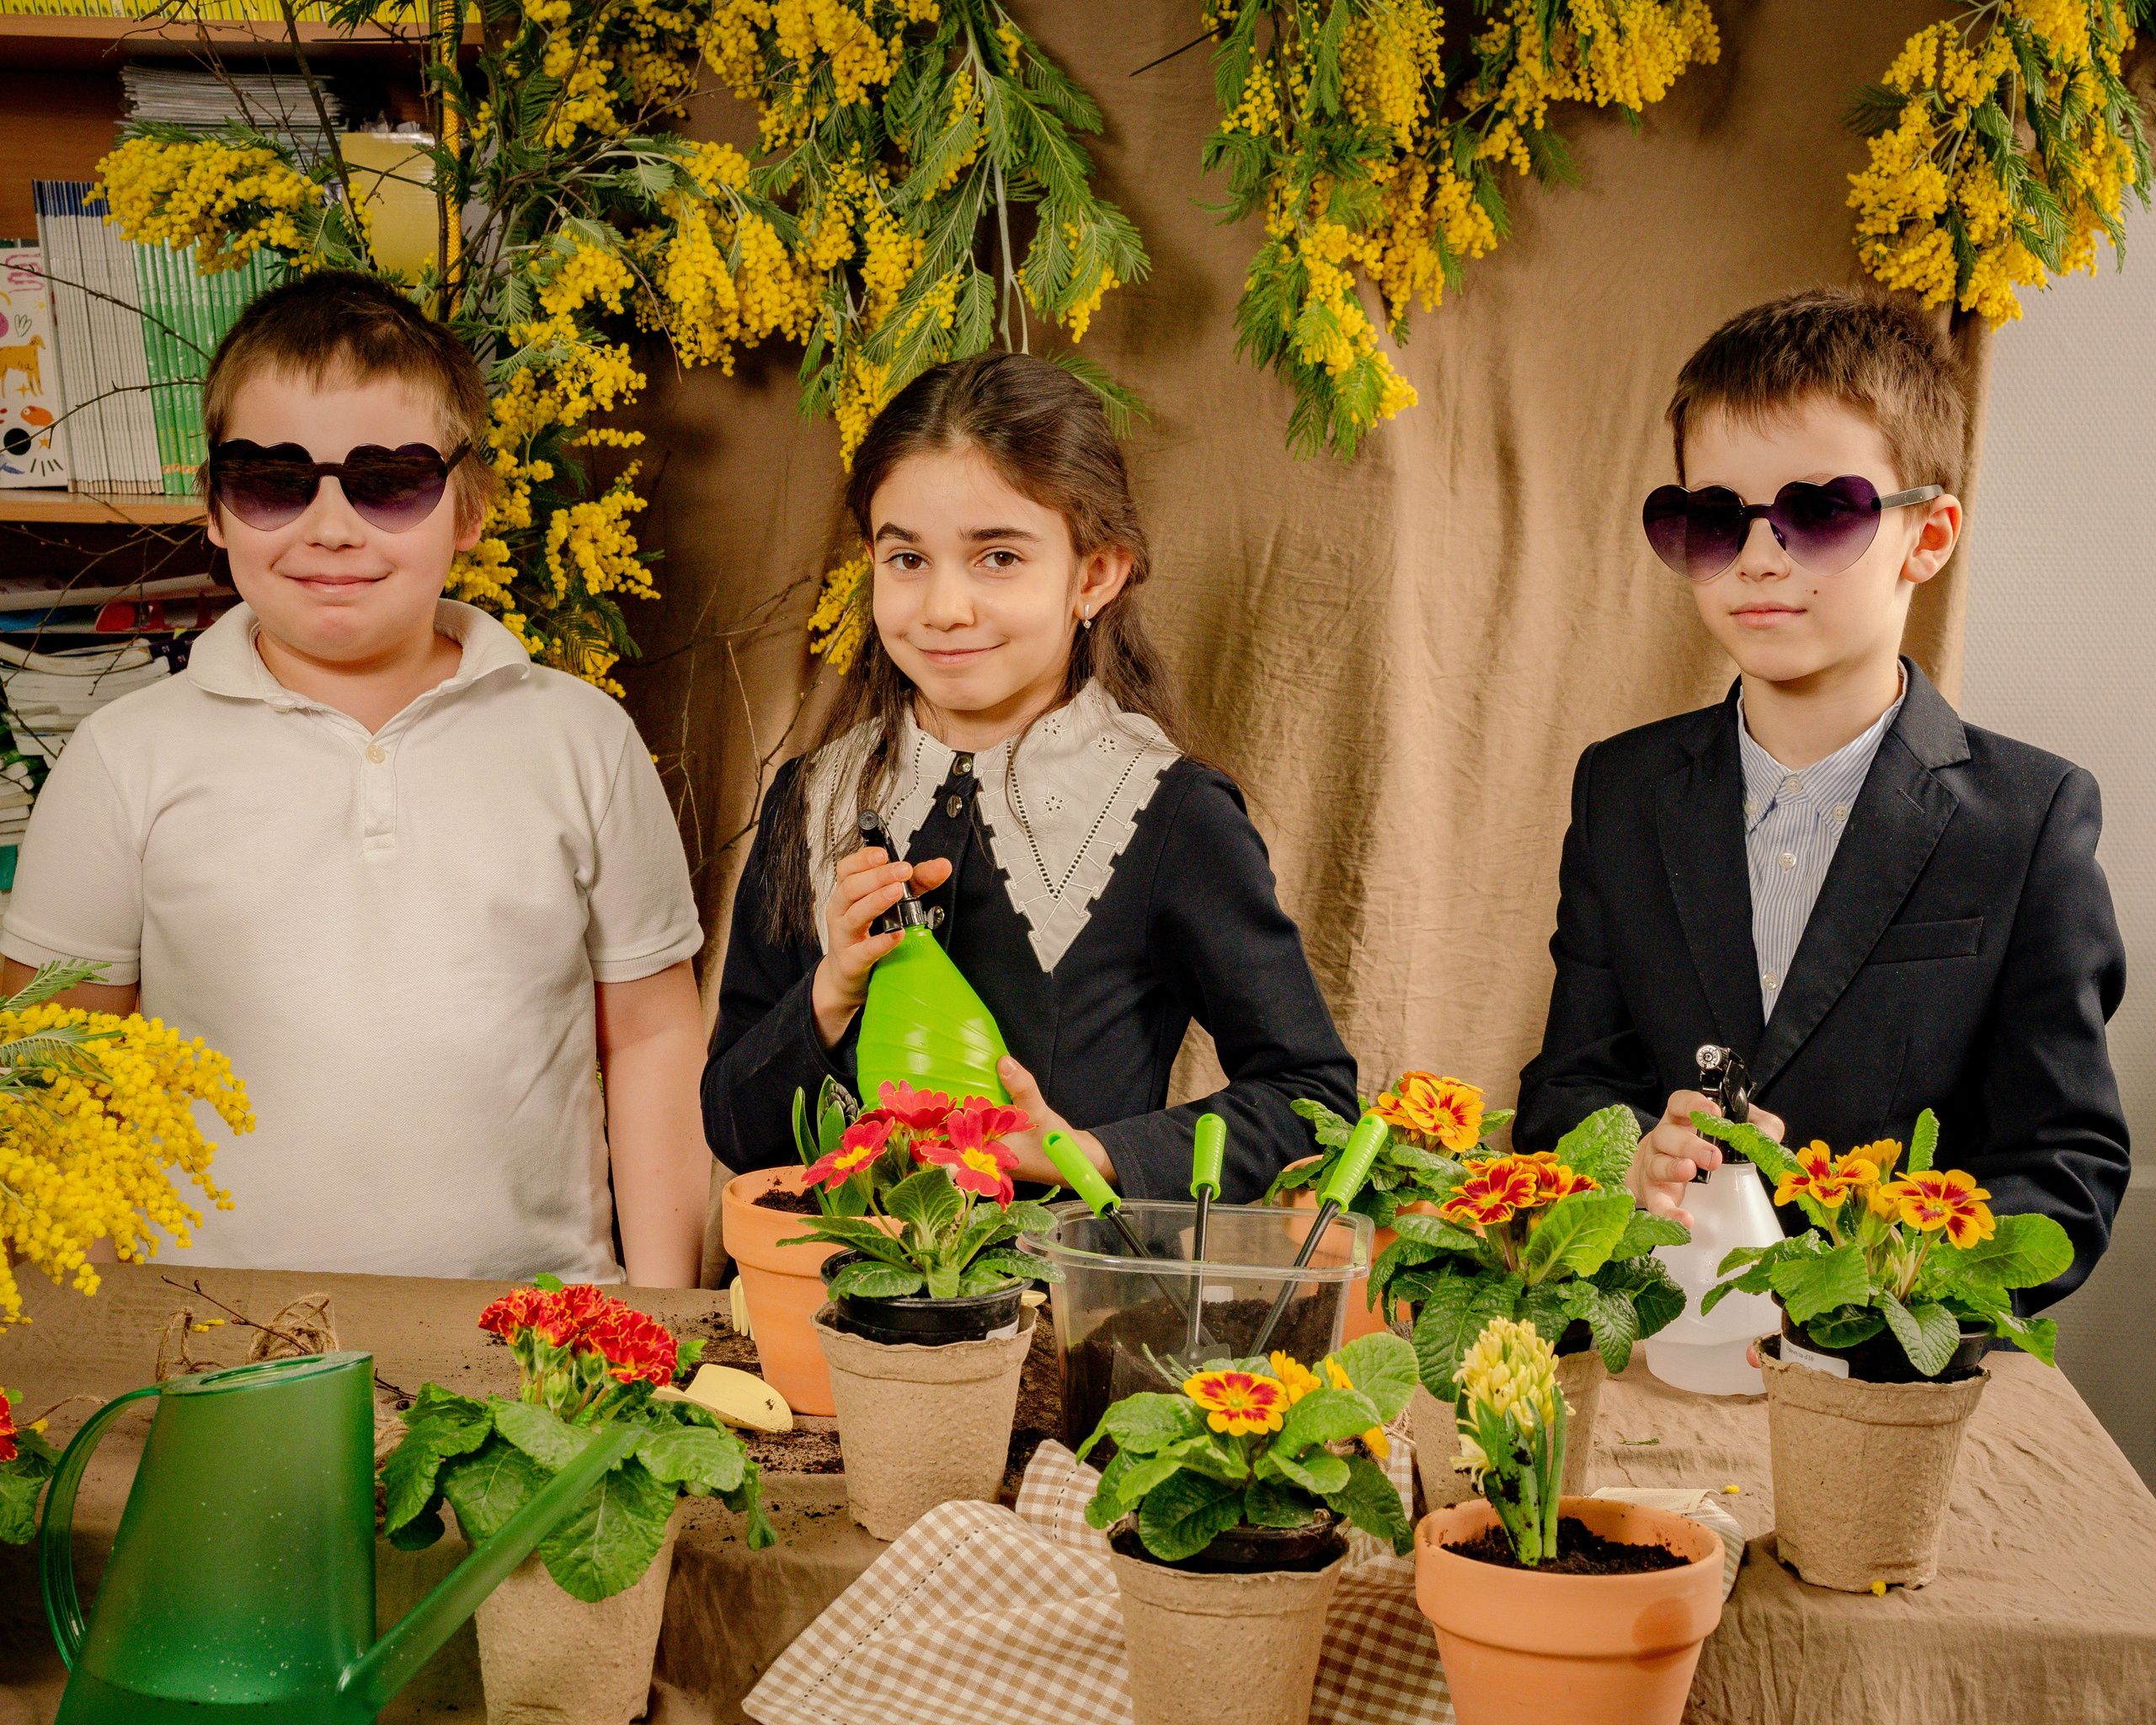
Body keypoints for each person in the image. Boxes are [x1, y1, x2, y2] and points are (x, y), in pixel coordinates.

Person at [0, 271, 710, 1285]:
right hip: (208, 1338)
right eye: (274, 480)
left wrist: (661, 1311)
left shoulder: (581, 739)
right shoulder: (123, 758)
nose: (331, 526)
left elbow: (651, 1038)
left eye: (387, 479)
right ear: (214, 505)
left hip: (546, 1335)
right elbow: (59, 1081)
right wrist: (106, 1347)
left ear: (468, 507)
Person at [1515, 287, 2127, 1310]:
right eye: (1712, 518)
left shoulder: (2031, 818)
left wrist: (1877, 1287)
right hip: (1664, 1349)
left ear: (1926, 537)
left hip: (1889, 1389)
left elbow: (2062, 1169)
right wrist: (1627, 1162)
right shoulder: (1620, 790)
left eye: (1818, 510)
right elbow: (1567, 1093)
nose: (1758, 556)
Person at [702, 352, 1356, 1203]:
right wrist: (830, 991)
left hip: (1060, 1321)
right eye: (906, 560)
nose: (944, 607)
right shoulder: (813, 795)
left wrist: (1078, 1150)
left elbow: (1312, 1104)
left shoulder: (1165, 809)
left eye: (998, 557)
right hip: (823, 1316)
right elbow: (734, 1128)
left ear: (1094, 575)